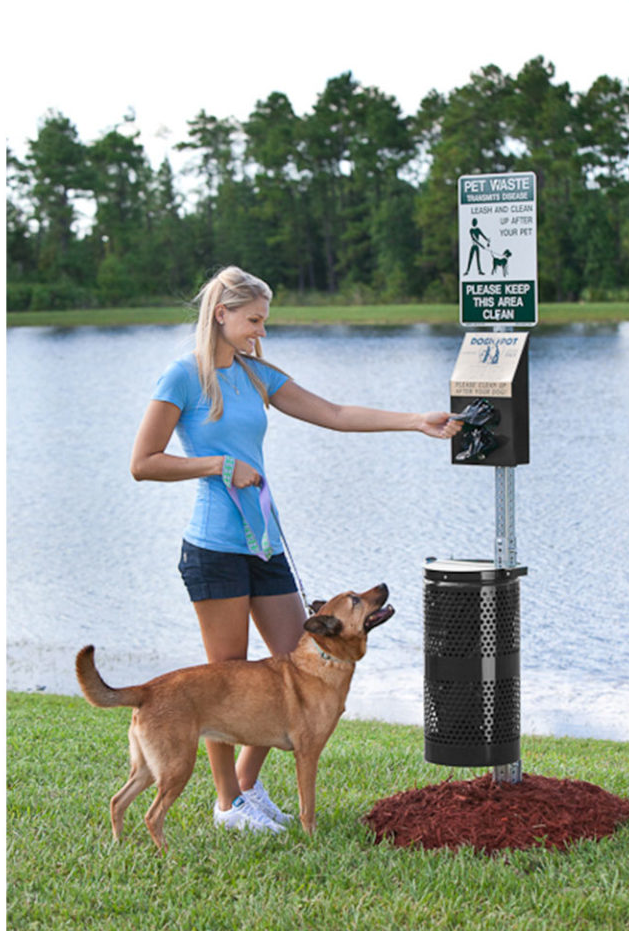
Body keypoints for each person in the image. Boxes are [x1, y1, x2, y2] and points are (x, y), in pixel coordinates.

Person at [130, 265, 462, 834]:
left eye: (264, 320)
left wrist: (415, 422)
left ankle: (247, 785)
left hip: (264, 544)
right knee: (225, 680)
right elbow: (143, 463)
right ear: (222, 315)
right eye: (253, 320)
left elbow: (334, 414)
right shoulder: (183, 377)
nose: (261, 331)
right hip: (214, 548)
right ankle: (228, 804)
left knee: (296, 661)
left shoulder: (256, 374)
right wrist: (219, 465)